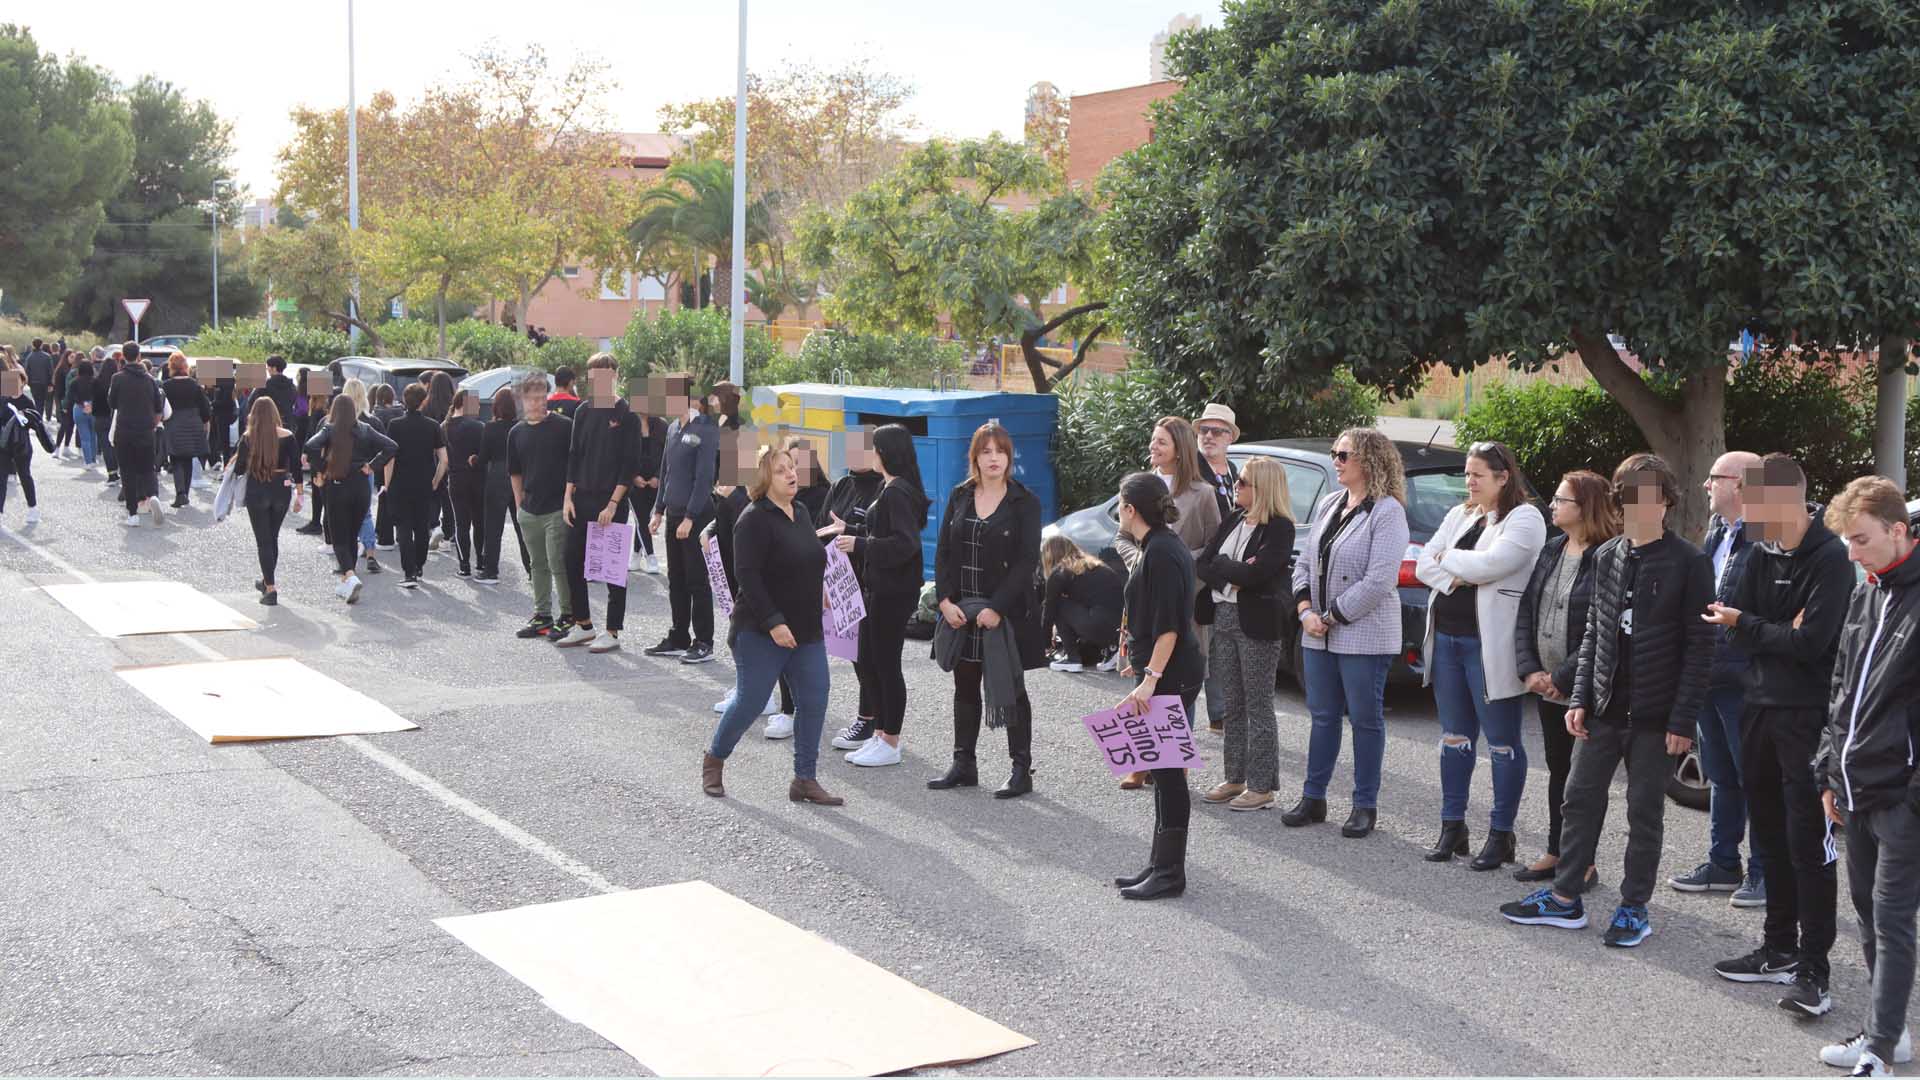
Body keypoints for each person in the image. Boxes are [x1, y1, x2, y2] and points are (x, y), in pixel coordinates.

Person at [1501, 453, 1711, 949]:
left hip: (1656, 718)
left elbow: (1701, 649)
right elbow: (1596, 631)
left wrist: (1683, 719)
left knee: (1644, 813)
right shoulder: (1609, 554)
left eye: (1650, 494)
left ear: (1665, 501)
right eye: (1629, 492)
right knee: (1578, 801)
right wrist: (1578, 698)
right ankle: (1565, 898)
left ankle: (1634, 907)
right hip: (1602, 709)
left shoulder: (1690, 562)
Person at [1703, 454, 1854, 1017]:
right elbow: (1731, 625)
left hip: (1807, 717)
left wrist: (1749, 623)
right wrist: (1764, 627)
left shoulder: (1831, 558)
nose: (1746, 511)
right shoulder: (1761, 551)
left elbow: (1810, 643)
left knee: (1807, 843)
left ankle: (1814, 970)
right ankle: (1777, 948)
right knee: (1767, 835)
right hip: (1757, 707)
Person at [1813, 476, 1920, 1077]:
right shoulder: (1867, 593)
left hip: (1902, 794)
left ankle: (1879, 1049)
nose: (1851, 554)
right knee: (1869, 913)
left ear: (1898, 530)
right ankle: (1891, 1033)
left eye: (1861, 541)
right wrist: (1829, 773)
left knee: (1893, 915)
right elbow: (1841, 689)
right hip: (1852, 788)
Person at [1415, 440, 1548, 867]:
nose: (1468, 482)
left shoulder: (1525, 519)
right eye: (1467, 474)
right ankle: (1452, 826)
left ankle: (1502, 833)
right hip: (1449, 639)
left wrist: (1448, 560)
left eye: (1477, 475)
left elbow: (1491, 566)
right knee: (1454, 738)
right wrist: (1457, 573)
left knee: (1503, 743)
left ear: (1503, 477)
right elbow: (1421, 565)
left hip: (1490, 646)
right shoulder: (1460, 514)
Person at [700, 444, 844, 807]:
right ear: (765, 478)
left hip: (806, 629)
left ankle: (805, 780)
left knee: (814, 701)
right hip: (760, 630)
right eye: (781, 470)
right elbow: (747, 577)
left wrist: (823, 586)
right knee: (750, 701)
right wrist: (774, 623)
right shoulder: (753, 519)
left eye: (792, 467)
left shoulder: (801, 512)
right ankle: (714, 759)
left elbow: (811, 557)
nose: (791, 474)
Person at [1286, 428, 1411, 838]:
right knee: (1322, 717)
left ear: (1369, 461)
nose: (1336, 461)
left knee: (1365, 719)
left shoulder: (1388, 511)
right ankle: (1313, 796)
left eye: (1344, 455)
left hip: (1362, 632)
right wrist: (1306, 611)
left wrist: (1331, 616)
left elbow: (1379, 581)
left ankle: (1364, 804)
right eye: (1335, 453)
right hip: (1316, 630)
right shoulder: (1330, 502)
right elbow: (1304, 562)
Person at [1512, 470, 1619, 884]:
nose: (1552, 506)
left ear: (1585, 507)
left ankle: (1584, 862)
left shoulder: (1608, 555)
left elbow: (1602, 626)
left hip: (1583, 688)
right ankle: (1558, 851)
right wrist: (1530, 670)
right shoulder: (1552, 548)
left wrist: (1561, 674)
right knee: (1558, 770)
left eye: (1561, 500)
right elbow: (1528, 612)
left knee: (1584, 781)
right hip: (1545, 686)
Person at [929, 421, 1045, 798]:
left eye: (1000, 451)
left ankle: (1020, 769)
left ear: (1009, 456)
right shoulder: (960, 495)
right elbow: (944, 552)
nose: (993, 458)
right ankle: (964, 764)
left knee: (1012, 689)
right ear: (975, 457)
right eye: (985, 451)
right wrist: (944, 601)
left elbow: (1028, 562)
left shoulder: (1024, 501)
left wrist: (997, 608)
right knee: (964, 686)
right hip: (962, 611)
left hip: (1005, 614)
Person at [1673, 450, 1769, 904]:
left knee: (1757, 779)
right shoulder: (1718, 532)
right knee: (1721, 775)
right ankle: (1724, 863)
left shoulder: (1768, 537)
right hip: (1709, 674)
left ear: (1741, 484)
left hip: (1746, 681)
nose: (1705, 486)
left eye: (1714, 477)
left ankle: (1766, 872)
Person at [1110, 471, 1206, 900]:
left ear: (1131, 510)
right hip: (1166, 671)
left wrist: (1150, 679)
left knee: (1168, 776)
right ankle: (1158, 863)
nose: (1118, 513)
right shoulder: (1158, 546)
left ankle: (1170, 873)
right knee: (1162, 773)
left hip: (1172, 674)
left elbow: (1170, 627)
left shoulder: (1163, 552)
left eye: (1120, 505)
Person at [1116, 416, 1222, 781]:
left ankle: (1174, 759)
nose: (1153, 447)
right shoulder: (1139, 487)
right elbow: (1122, 539)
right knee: (1146, 666)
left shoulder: (1202, 492)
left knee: (1175, 676)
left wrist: (1171, 565)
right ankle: (1141, 761)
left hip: (1186, 596)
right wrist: (1142, 564)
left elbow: (1213, 547)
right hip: (1146, 592)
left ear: (1179, 447)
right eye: (1152, 440)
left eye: (1161, 441)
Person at [1196, 456, 1297, 812]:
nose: (1236, 486)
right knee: (1231, 705)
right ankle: (1234, 776)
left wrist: (1229, 571)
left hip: (1256, 624)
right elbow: (1204, 564)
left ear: (1263, 488)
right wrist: (1233, 573)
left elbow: (1258, 575)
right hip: (1223, 616)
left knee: (1258, 705)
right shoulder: (1234, 518)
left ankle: (1262, 785)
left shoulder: (1280, 528)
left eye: (1243, 482)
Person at [838, 424, 930, 768]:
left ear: (886, 453)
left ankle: (890, 740)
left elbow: (905, 544)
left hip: (894, 591)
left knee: (886, 665)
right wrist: (849, 530)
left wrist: (860, 544)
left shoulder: (897, 492)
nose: (870, 454)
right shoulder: (892, 488)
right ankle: (879, 735)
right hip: (881, 587)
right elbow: (884, 532)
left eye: (874, 448)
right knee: (872, 661)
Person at [556, 354, 639, 651]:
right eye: (593, 376)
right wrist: (567, 497)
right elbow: (574, 455)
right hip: (581, 498)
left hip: (610, 502)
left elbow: (629, 465)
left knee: (612, 570)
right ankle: (583, 624)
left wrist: (613, 504)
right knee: (571, 560)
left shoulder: (626, 414)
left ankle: (612, 631)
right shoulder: (582, 411)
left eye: (603, 375)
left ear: (615, 375)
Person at [647, 376, 721, 663]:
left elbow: (704, 477)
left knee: (696, 580)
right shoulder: (673, 428)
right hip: (674, 512)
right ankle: (679, 635)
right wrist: (658, 511)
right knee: (675, 578)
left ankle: (704, 641)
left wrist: (690, 517)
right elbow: (665, 471)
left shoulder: (705, 427)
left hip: (697, 515)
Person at [822, 429, 887, 750]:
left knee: (868, 655)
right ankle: (872, 718)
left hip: (870, 583)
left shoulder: (883, 488)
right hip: (839, 582)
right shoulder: (841, 485)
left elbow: (882, 535)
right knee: (854, 655)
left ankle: (870, 718)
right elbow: (822, 528)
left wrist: (850, 532)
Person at [304, 395, 396, 604]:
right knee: (353, 534)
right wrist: (372, 465)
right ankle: (349, 577)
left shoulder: (329, 429)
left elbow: (310, 446)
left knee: (339, 537)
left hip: (337, 485)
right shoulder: (365, 429)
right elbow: (391, 446)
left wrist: (321, 470)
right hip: (361, 486)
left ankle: (349, 574)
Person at [509, 372, 575, 639]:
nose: (537, 403)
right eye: (532, 399)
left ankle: (569, 615)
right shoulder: (516, 432)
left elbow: (574, 465)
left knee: (558, 562)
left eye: (541, 398)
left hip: (557, 508)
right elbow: (515, 472)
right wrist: (519, 506)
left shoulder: (563, 426)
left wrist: (570, 499)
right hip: (529, 510)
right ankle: (542, 615)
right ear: (522, 400)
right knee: (537, 564)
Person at [231, 394, 303, 606]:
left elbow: (239, 469)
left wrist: (238, 458)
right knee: (272, 537)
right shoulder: (288, 436)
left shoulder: (248, 437)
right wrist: (300, 494)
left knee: (263, 540)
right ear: (274, 414)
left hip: (257, 486)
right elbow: (297, 468)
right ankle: (266, 580)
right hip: (281, 487)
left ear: (254, 415)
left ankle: (270, 588)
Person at [383, 383, 449, 589]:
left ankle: (408, 571)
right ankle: (419, 566)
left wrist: (387, 484)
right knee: (421, 526)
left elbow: (389, 459)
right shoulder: (433, 426)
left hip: (400, 483)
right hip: (424, 483)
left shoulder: (394, 425)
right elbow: (444, 460)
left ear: (404, 400)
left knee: (403, 527)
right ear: (424, 400)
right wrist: (436, 481)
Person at [1040, 535, 1124, 673]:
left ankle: (1072, 659)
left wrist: (1046, 644)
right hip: (1120, 629)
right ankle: (1111, 650)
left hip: (1098, 625)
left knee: (1059, 604)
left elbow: (1049, 610)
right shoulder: (1095, 566)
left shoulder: (1059, 573)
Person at [472, 386, 529, 586]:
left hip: (496, 478)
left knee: (493, 528)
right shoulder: (524, 426)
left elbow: (483, 458)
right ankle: (532, 571)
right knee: (523, 526)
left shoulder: (490, 428)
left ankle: (491, 571)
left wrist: (473, 460)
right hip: (521, 480)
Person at [108, 341, 167, 527]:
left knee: (127, 472)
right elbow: (159, 407)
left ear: (123, 356)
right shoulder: (150, 379)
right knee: (148, 469)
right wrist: (152, 424)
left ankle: (132, 514)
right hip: (145, 431)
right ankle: (153, 496)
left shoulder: (118, 378)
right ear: (139, 356)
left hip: (124, 431)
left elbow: (112, 403)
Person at [0, 370, 56, 524]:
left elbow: (36, 424)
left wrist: (24, 417)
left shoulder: (26, 401)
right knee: (1, 478)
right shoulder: (3, 400)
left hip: (21, 446)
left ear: (22, 383)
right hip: (4, 446)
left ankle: (33, 509)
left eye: (16, 381)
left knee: (25, 475)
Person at [443, 389, 486, 578]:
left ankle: (464, 566)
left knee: (461, 524)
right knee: (479, 522)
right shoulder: (479, 427)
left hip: (456, 479)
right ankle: (482, 564)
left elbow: (441, 459)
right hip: (478, 478)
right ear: (466, 403)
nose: (478, 407)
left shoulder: (443, 427)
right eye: (475, 403)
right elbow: (484, 456)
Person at [160, 353, 212, 509]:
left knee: (176, 459)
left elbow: (161, 408)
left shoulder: (166, 386)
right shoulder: (195, 385)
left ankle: (180, 493)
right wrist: (204, 421)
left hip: (174, 423)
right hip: (193, 424)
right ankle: (185, 494)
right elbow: (205, 409)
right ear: (185, 367)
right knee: (188, 458)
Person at [628, 404, 666, 575]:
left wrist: (658, 477)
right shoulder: (628, 425)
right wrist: (633, 476)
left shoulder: (661, 425)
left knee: (645, 518)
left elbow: (666, 455)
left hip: (655, 482)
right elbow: (623, 454)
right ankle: (651, 555)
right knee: (641, 518)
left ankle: (636, 554)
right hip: (634, 482)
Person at [91, 351, 120, 486]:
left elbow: (94, 402)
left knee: (106, 446)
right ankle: (120, 470)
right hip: (116, 417)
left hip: (101, 417)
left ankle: (112, 473)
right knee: (118, 446)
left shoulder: (97, 382)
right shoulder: (117, 381)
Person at [65, 359, 98, 471]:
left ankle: (87, 461)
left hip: (79, 408)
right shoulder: (96, 381)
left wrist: (82, 404)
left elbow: (70, 398)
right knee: (94, 435)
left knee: (84, 437)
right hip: (94, 409)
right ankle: (93, 460)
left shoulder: (74, 382)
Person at [21, 338, 54, 418]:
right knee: (41, 401)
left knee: (37, 401)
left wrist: (28, 382)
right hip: (44, 382)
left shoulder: (30, 357)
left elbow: (26, 370)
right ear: (41, 345)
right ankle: (39, 416)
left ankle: (38, 416)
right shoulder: (47, 356)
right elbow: (50, 371)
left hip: (33, 383)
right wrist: (50, 383)